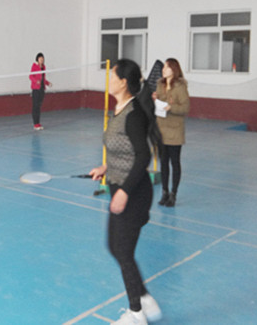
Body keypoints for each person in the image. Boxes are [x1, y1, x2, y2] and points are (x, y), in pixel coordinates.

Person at [89, 59, 162, 324]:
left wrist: (123, 192)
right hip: (121, 187)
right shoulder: (119, 110)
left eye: (112, 77)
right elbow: (125, 150)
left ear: (123, 83)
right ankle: (145, 299)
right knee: (115, 246)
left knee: (123, 251)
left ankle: (136, 314)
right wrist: (105, 167)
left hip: (134, 193)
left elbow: (143, 156)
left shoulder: (133, 114)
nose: (109, 81)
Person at [153, 58, 189, 207]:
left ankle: (173, 193)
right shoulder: (159, 84)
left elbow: (185, 108)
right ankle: (165, 192)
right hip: (161, 129)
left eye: (167, 68)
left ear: (174, 70)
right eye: (163, 68)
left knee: (174, 162)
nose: (163, 70)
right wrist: (155, 99)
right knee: (164, 163)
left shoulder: (180, 87)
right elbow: (158, 102)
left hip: (175, 130)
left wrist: (171, 108)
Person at [29, 52, 52, 130]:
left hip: (42, 89)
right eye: (40, 59)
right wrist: (36, 81)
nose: (41, 60)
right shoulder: (34, 66)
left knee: (39, 106)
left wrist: (47, 83)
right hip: (36, 89)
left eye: (42, 59)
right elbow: (31, 76)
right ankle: (35, 124)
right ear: (37, 59)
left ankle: (38, 123)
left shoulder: (43, 67)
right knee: (35, 106)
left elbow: (43, 78)